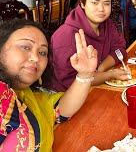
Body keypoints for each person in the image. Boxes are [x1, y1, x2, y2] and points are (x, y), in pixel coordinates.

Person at [0, 19, 98, 150]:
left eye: (42, 53)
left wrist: (85, 74)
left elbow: (60, 111)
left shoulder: (32, 96)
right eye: (25, 47)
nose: (35, 58)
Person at [44, 0, 130, 92]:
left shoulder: (107, 24)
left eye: (106, 3)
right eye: (95, 2)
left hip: (98, 87)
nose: (101, 9)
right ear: (82, 3)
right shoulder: (65, 35)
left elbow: (120, 50)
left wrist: (101, 68)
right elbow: (73, 81)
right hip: (65, 97)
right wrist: (110, 74)